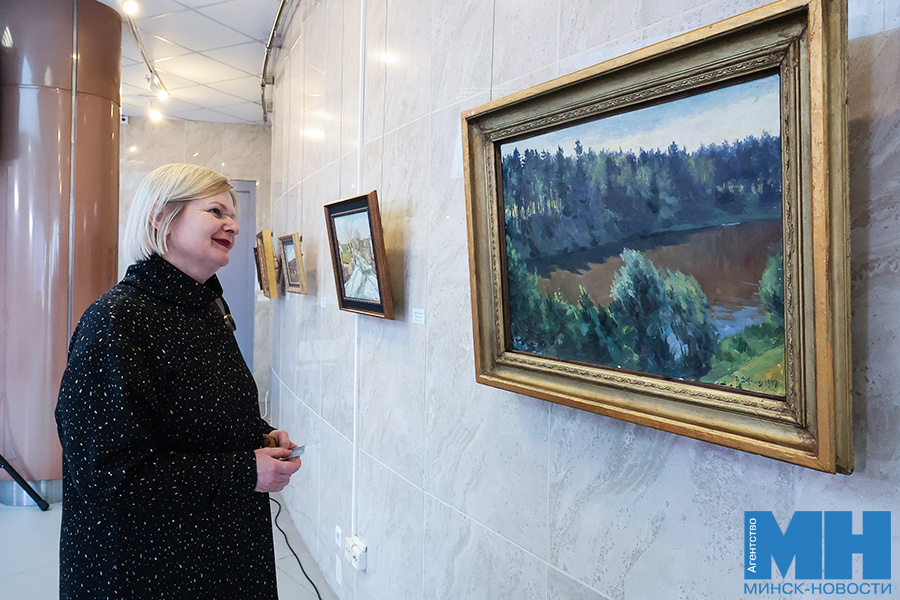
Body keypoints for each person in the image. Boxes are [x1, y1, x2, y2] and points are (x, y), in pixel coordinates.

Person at [55, 163, 301, 599]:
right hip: (148, 570)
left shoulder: (204, 307)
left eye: (235, 215)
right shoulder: (117, 322)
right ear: (161, 216)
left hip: (218, 553)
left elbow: (194, 418)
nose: (233, 225)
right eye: (216, 211)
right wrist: (246, 469)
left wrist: (258, 436)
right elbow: (109, 475)